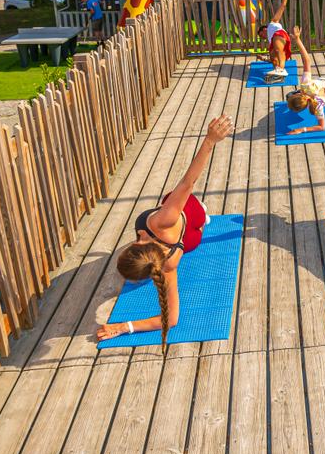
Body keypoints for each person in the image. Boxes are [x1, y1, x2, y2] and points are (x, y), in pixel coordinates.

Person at [96, 114, 234, 352]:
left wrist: (124, 327)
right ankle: (202, 215)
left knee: (184, 215)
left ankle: (202, 220)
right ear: (138, 245)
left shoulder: (167, 267)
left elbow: (171, 320)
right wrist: (210, 140)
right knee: (174, 198)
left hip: (191, 242)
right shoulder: (161, 222)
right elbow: (187, 182)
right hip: (190, 217)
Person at [285, 25, 325, 135]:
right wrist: (297, 40)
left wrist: (301, 129)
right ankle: (300, 94)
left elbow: (322, 127)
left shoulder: (318, 106)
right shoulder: (306, 86)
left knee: (288, 96)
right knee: (289, 96)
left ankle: (304, 94)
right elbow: (307, 60)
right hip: (322, 84)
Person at [256, 0, 292, 83]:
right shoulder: (270, 41)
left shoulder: (272, 23)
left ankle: (280, 70)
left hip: (280, 35)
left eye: (261, 35)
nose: (262, 37)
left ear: (264, 29)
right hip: (278, 43)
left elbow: (283, 5)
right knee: (273, 57)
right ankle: (278, 73)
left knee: (276, 48)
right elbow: (274, 56)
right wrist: (263, 59)